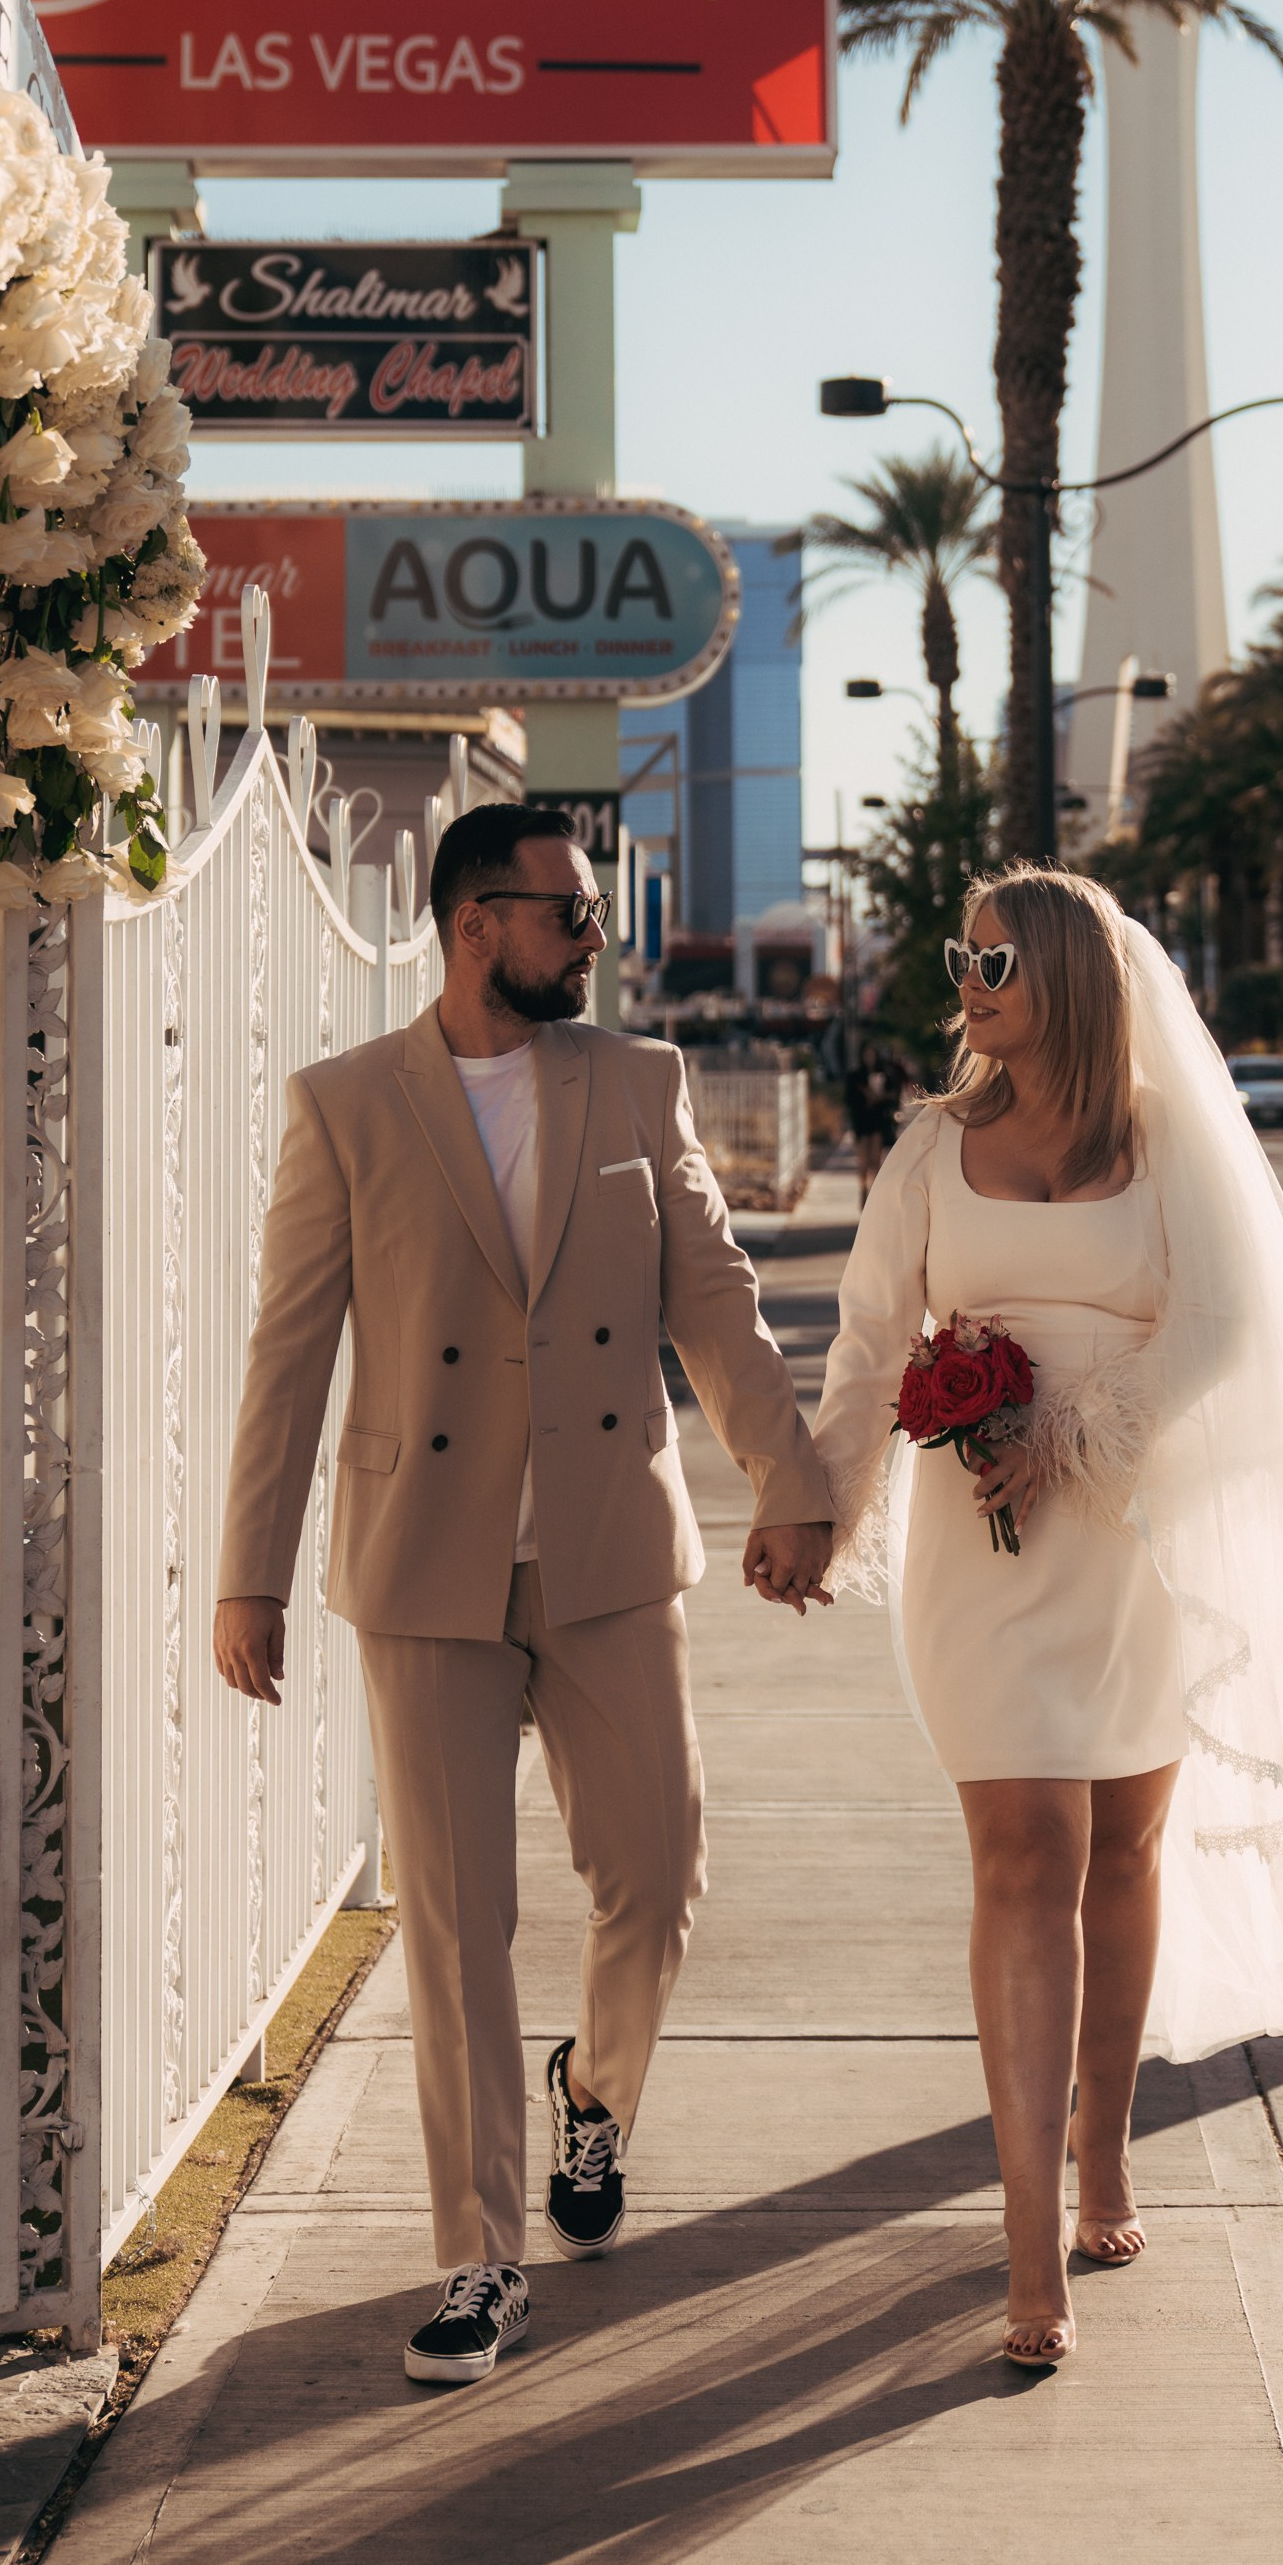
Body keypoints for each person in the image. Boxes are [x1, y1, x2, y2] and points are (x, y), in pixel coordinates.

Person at [214, 803, 833, 2388]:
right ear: (474, 922)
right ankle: (480, 2256)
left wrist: (792, 1476)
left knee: (656, 1875)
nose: (593, 936)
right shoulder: (347, 1106)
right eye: (568, 912)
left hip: (611, 1549)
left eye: (595, 912)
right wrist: (252, 1576)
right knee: (458, 1926)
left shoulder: (638, 1082)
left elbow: (715, 1299)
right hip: (424, 1562)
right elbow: (289, 1356)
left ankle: (597, 2101)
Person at [812, 868, 1283, 2371]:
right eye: (959, 953)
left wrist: (1071, 1432)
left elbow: (1228, 1326)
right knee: (1024, 1856)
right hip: (980, 1553)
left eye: (994, 953)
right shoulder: (934, 1147)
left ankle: (1107, 2156)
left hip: (1136, 1535)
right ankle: (1024, 2241)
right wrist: (814, 1507)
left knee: (1125, 1851)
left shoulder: (1164, 1138)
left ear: (1068, 967)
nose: (968, 974)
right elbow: (873, 1337)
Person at [843, 1037, 908, 1208]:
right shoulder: (856, 1076)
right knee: (863, 1159)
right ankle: (863, 1189)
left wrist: (880, 1098)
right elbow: (849, 1099)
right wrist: (864, 1095)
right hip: (862, 1121)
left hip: (879, 1120)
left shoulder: (885, 1074)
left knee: (875, 1159)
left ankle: (874, 1193)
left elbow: (893, 1095)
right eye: (867, 1054)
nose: (869, 1057)